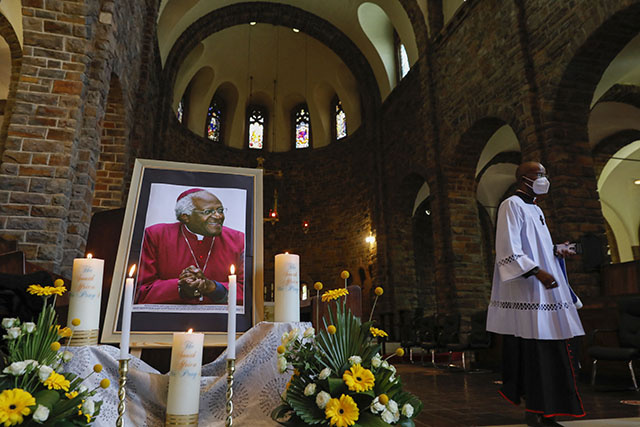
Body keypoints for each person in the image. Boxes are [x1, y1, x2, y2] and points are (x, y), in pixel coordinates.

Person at [486, 162, 585, 427]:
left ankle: (547, 412)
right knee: (537, 353)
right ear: (523, 178)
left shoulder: (536, 209)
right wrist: (538, 272)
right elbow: (508, 250)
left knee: (556, 350)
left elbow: (535, 247)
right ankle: (536, 412)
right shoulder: (511, 205)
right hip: (531, 293)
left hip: (548, 292)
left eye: (544, 174)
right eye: (538, 174)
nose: (543, 179)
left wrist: (555, 250)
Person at [136, 188, 244, 305]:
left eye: (220, 210)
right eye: (208, 212)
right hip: (166, 319)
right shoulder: (155, 235)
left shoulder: (238, 240)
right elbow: (139, 290)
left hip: (221, 320)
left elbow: (249, 292)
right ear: (185, 216)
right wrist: (180, 289)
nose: (218, 216)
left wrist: (213, 288)